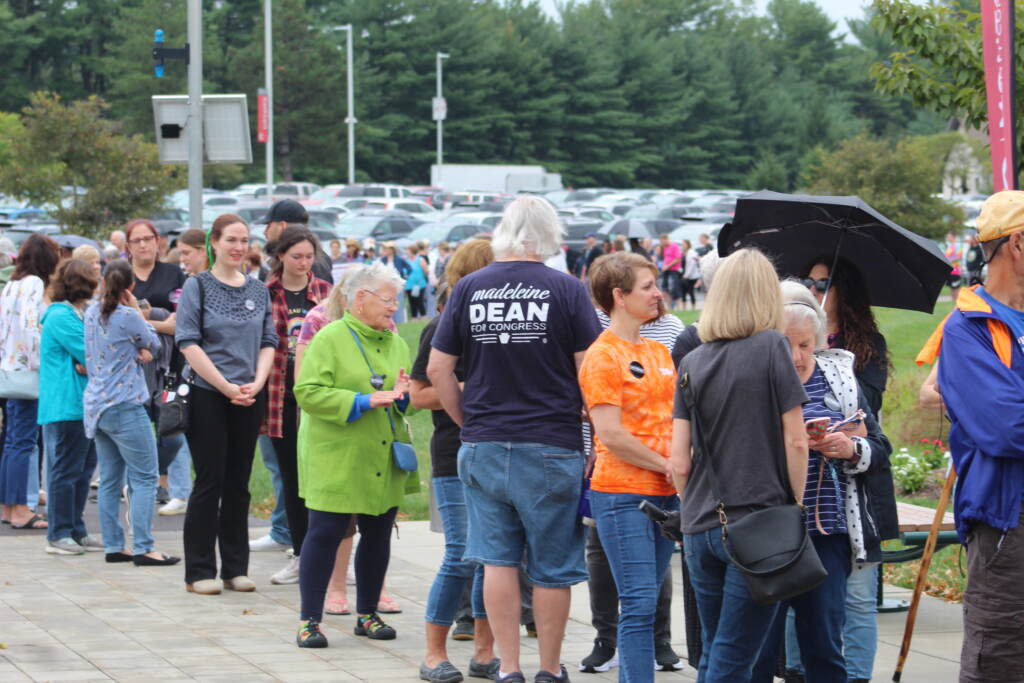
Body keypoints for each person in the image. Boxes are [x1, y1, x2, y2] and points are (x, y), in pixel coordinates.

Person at [428, 196, 602, 683]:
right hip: (550, 443)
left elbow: (440, 367)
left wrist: (466, 421)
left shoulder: (469, 288)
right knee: (551, 566)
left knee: (497, 559)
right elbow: (589, 371)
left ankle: (507, 667)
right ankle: (548, 668)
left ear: (504, 230)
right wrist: (594, 433)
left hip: (483, 442)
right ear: (549, 235)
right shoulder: (568, 290)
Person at [669, 248, 809, 683]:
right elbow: (796, 439)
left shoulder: (692, 362)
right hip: (758, 525)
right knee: (733, 661)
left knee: (715, 653)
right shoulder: (771, 347)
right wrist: (796, 506)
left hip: (700, 527)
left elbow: (678, 458)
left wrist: (689, 503)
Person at [754, 280, 893, 683]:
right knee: (762, 643)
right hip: (769, 531)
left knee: (824, 643)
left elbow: (879, 447)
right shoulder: (756, 378)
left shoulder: (842, 381)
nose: (797, 357)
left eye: (804, 344)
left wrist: (849, 448)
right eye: (786, 344)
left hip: (828, 532)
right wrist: (792, 443)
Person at [927, 191, 1024, 683]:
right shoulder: (968, 327)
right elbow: (1006, 427)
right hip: (1009, 523)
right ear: (1019, 244)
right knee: (1002, 662)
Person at [292, 263, 415, 648]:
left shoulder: (397, 342)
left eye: (396, 300)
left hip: (381, 455)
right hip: (337, 455)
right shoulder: (329, 337)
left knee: (378, 533)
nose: (394, 307)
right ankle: (309, 621)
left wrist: (406, 397)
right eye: (387, 299)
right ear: (360, 298)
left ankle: (367, 614)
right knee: (325, 533)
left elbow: (405, 404)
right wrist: (362, 401)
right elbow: (307, 392)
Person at [578, 252, 679, 683]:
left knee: (649, 598)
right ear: (618, 296)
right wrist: (667, 464)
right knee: (638, 604)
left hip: (665, 492)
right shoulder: (602, 357)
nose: (658, 293)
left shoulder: (657, 350)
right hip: (623, 495)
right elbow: (611, 434)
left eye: (656, 284)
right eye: (647, 286)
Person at [795, 259, 898, 683]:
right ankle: (796, 671)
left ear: (844, 290)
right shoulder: (781, 348)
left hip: (856, 490)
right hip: (806, 502)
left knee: (855, 598)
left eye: (826, 282)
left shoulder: (865, 345)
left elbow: (866, 414)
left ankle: (856, 676)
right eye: (810, 281)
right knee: (801, 603)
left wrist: (844, 427)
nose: (817, 288)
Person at [176, 213, 277, 595]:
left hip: (249, 394)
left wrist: (256, 382)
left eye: (244, 240)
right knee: (210, 480)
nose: (238, 248)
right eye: (231, 240)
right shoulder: (196, 286)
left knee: (239, 482)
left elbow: (269, 341)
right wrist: (224, 386)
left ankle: (235, 567)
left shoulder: (258, 290)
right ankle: (199, 570)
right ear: (214, 243)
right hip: (207, 393)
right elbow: (188, 342)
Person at [413, 240, 499, 682]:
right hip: (453, 454)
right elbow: (418, 394)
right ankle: (433, 653)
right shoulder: (441, 328)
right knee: (460, 557)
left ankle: (485, 653)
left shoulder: (496, 329)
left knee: (491, 557)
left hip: (495, 451)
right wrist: (469, 388)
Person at [83, 260, 179, 567]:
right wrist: (137, 314)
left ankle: (114, 544)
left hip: (97, 405)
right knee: (145, 476)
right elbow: (154, 343)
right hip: (125, 403)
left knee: (110, 479)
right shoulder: (127, 316)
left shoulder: (90, 313)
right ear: (130, 287)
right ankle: (144, 546)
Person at [262, 227, 332, 586]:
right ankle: (302, 552)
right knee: (292, 477)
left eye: (309, 257)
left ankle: (334, 555)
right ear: (280, 257)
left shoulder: (326, 292)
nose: (304, 264)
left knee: (326, 476)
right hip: (280, 399)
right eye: (296, 257)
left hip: (320, 396)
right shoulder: (266, 293)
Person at [38, 259, 101, 554]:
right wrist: (94, 362)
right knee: (65, 470)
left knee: (83, 470)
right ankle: (58, 533)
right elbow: (94, 354)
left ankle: (76, 529)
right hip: (67, 405)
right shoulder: (61, 316)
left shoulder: (77, 313)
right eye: (94, 279)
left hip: (83, 405)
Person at [0, 234, 61, 530]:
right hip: (28, 372)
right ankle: (21, 509)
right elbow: (29, 328)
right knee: (23, 442)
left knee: (12, 441)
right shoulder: (35, 284)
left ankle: (8, 506)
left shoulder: (11, 284)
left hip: (10, 369)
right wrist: (42, 361)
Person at [259, 200, 333, 283]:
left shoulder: (309, 265)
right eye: (297, 257)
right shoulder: (319, 258)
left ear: (283, 226)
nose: (265, 232)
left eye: (268, 226)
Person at [406, 243, 430, 321]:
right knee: (412, 302)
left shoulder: (420, 259)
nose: (407, 253)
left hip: (419, 285)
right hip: (409, 285)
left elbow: (426, 271)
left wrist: (424, 279)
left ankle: (423, 316)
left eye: (408, 251)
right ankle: (414, 317)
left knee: (420, 301)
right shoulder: (406, 261)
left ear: (412, 251)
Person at [658, 234, 682, 311]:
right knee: (665, 289)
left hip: (674, 270)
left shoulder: (674, 246)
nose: (661, 243)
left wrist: (667, 266)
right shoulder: (665, 248)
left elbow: (678, 259)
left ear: (666, 239)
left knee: (675, 289)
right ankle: (669, 307)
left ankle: (679, 308)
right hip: (666, 270)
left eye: (662, 241)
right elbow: (666, 258)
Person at [943, 231, 965, 304]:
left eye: (949, 236)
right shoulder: (949, 246)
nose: (948, 238)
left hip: (956, 270)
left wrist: (949, 260)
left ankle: (957, 304)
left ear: (953, 237)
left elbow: (959, 256)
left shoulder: (957, 246)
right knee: (951, 288)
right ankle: (953, 304)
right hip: (950, 270)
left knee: (955, 288)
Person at [679, 240, 699, 310]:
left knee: (691, 291)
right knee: (683, 291)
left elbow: (691, 265)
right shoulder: (684, 253)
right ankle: (684, 307)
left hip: (690, 276)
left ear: (688, 244)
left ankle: (693, 307)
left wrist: (686, 275)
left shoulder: (691, 253)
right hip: (684, 274)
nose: (683, 246)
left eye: (684, 244)